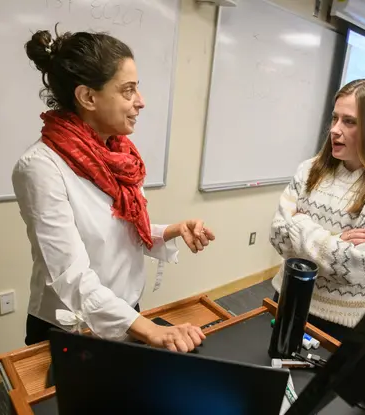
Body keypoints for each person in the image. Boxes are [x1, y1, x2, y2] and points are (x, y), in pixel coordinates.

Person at [13, 28, 215, 353]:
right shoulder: (40, 167)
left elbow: (118, 231)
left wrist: (169, 231)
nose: (141, 101)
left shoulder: (120, 154)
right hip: (72, 327)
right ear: (88, 97)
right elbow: (71, 275)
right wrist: (149, 330)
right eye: (128, 91)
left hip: (126, 313)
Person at [269, 79, 365, 340]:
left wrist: (300, 225)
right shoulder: (309, 170)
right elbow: (278, 237)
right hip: (287, 298)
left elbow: (357, 267)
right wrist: (335, 242)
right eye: (335, 118)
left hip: (342, 325)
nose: (335, 130)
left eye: (349, 122)